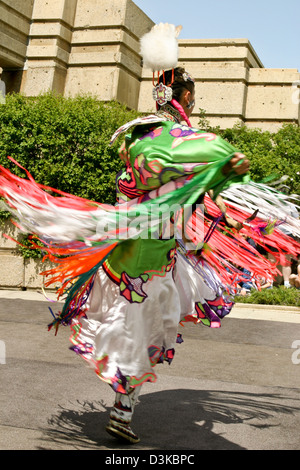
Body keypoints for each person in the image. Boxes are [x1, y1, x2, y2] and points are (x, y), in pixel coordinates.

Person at [0, 23, 299, 446]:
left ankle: (124, 400)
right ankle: (123, 405)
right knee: (138, 332)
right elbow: (205, 159)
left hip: (150, 254)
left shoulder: (151, 140)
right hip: (142, 256)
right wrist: (225, 164)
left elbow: (190, 182)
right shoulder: (163, 140)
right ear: (185, 98)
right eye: (191, 96)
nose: (193, 103)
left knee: (144, 331)